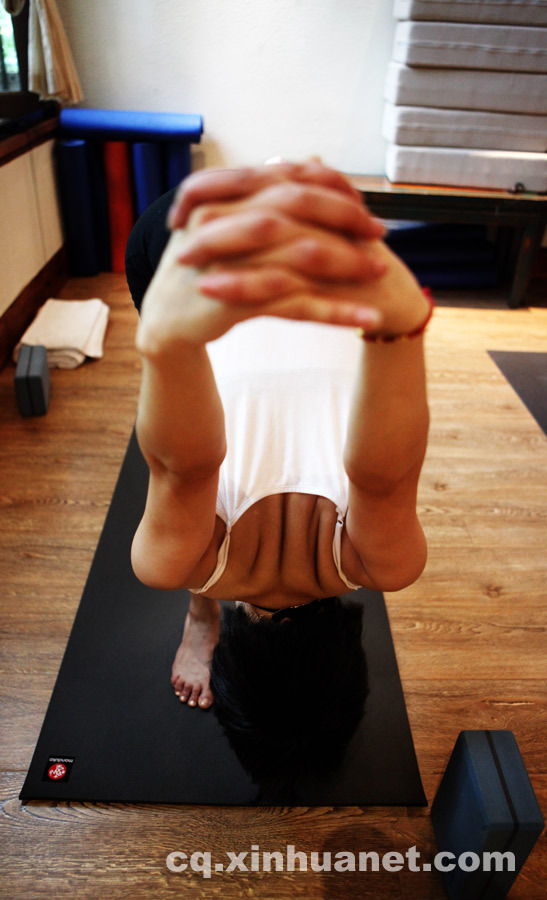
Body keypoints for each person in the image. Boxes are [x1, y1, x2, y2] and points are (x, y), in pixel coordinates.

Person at [130, 160, 431, 717]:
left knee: (187, 511)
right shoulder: (173, 561)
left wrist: (403, 326)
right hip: (203, 245)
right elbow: (184, 469)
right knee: (184, 541)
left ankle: (200, 617)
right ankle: (200, 616)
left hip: (290, 249)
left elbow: (386, 477)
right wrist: (165, 344)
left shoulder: (382, 563)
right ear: (230, 654)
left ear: (349, 648)